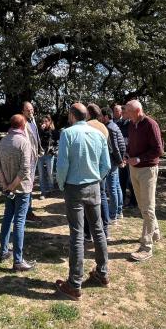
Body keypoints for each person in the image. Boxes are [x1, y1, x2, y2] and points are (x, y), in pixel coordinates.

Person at [54, 103, 111, 301]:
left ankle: (74, 283)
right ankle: (103, 273)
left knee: (77, 234)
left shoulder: (67, 134)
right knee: (98, 229)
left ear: (71, 115)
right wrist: (97, 178)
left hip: (74, 187)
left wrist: (62, 184)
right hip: (94, 185)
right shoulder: (98, 133)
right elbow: (107, 165)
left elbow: (62, 165)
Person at [0, 114, 36, 271]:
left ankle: (3, 251)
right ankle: (18, 260)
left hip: (8, 188)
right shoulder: (24, 142)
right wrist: (11, 185)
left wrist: (5, 183)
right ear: (22, 125)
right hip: (21, 188)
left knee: (7, 218)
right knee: (19, 221)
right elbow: (25, 169)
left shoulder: (3, 141)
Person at [125, 100, 164, 262]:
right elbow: (131, 144)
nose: (126, 115)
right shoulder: (131, 124)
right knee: (142, 205)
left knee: (147, 208)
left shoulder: (150, 124)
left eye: (129, 112)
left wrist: (139, 159)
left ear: (139, 111)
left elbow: (158, 150)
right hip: (134, 168)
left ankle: (146, 246)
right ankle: (155, 233)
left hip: (147, 169)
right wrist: (127, 155)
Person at [83, 103, 111, 241]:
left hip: (89, 169)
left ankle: (88, 233)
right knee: (102, 197)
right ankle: (105, 230)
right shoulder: (103, 127)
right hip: (101, 169)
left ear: (88, 113)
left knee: (88, 202)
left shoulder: (86, 126)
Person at [101, 108, 125, 223]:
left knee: (112, 189)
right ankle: (119, 211)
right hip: (116, 160)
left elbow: (114, 147)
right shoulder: (114, 125)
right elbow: (121, 145)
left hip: (112, 161)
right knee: (117, 186)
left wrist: (120, 161)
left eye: (101, 116)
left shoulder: (109, 128)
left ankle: (113, 215)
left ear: (106, 117)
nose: (100, 118)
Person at [22, 101, 44, 221]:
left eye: (32, 109)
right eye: (28, 110)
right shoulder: (23, 122)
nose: (30, 111)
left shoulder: (32, 120)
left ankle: (27, 211)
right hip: (27, 159)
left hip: (34, 157)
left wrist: (40, 150)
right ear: (23, 111)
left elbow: (36, 137)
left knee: (30, 185)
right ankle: (27, 213)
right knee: (27, 186)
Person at [114, 104, 137, 211]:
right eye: (122, 113)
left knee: (131, 180)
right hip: (122, 155)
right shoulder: (118, 124)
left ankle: (133, 201)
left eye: (124, 113)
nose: (123, 115)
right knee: (121, 179)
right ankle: (121, 200)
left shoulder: (132, 124)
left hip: (131, 156)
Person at [37, 115, 58, 199]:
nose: (44, 123)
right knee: (41, 174)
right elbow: (37, 139)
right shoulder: (39, 131)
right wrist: (41, 130)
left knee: (50, 173)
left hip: (49, 155)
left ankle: (51, 189)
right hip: (40, 154)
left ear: (50, 122)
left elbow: (57, 142)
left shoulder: (54, 131)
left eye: (46, 121)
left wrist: (54, 151)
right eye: (43, 121)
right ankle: (43, 192)